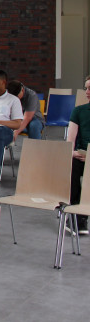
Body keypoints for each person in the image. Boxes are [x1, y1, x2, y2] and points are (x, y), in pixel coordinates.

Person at [67, 75, 90, 235]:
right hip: (81, 156)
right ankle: (77, 216)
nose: (87, 92)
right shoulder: (79, 111)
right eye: (86, 88)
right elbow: (70, 141)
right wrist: (74, 152)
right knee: (73, 167)